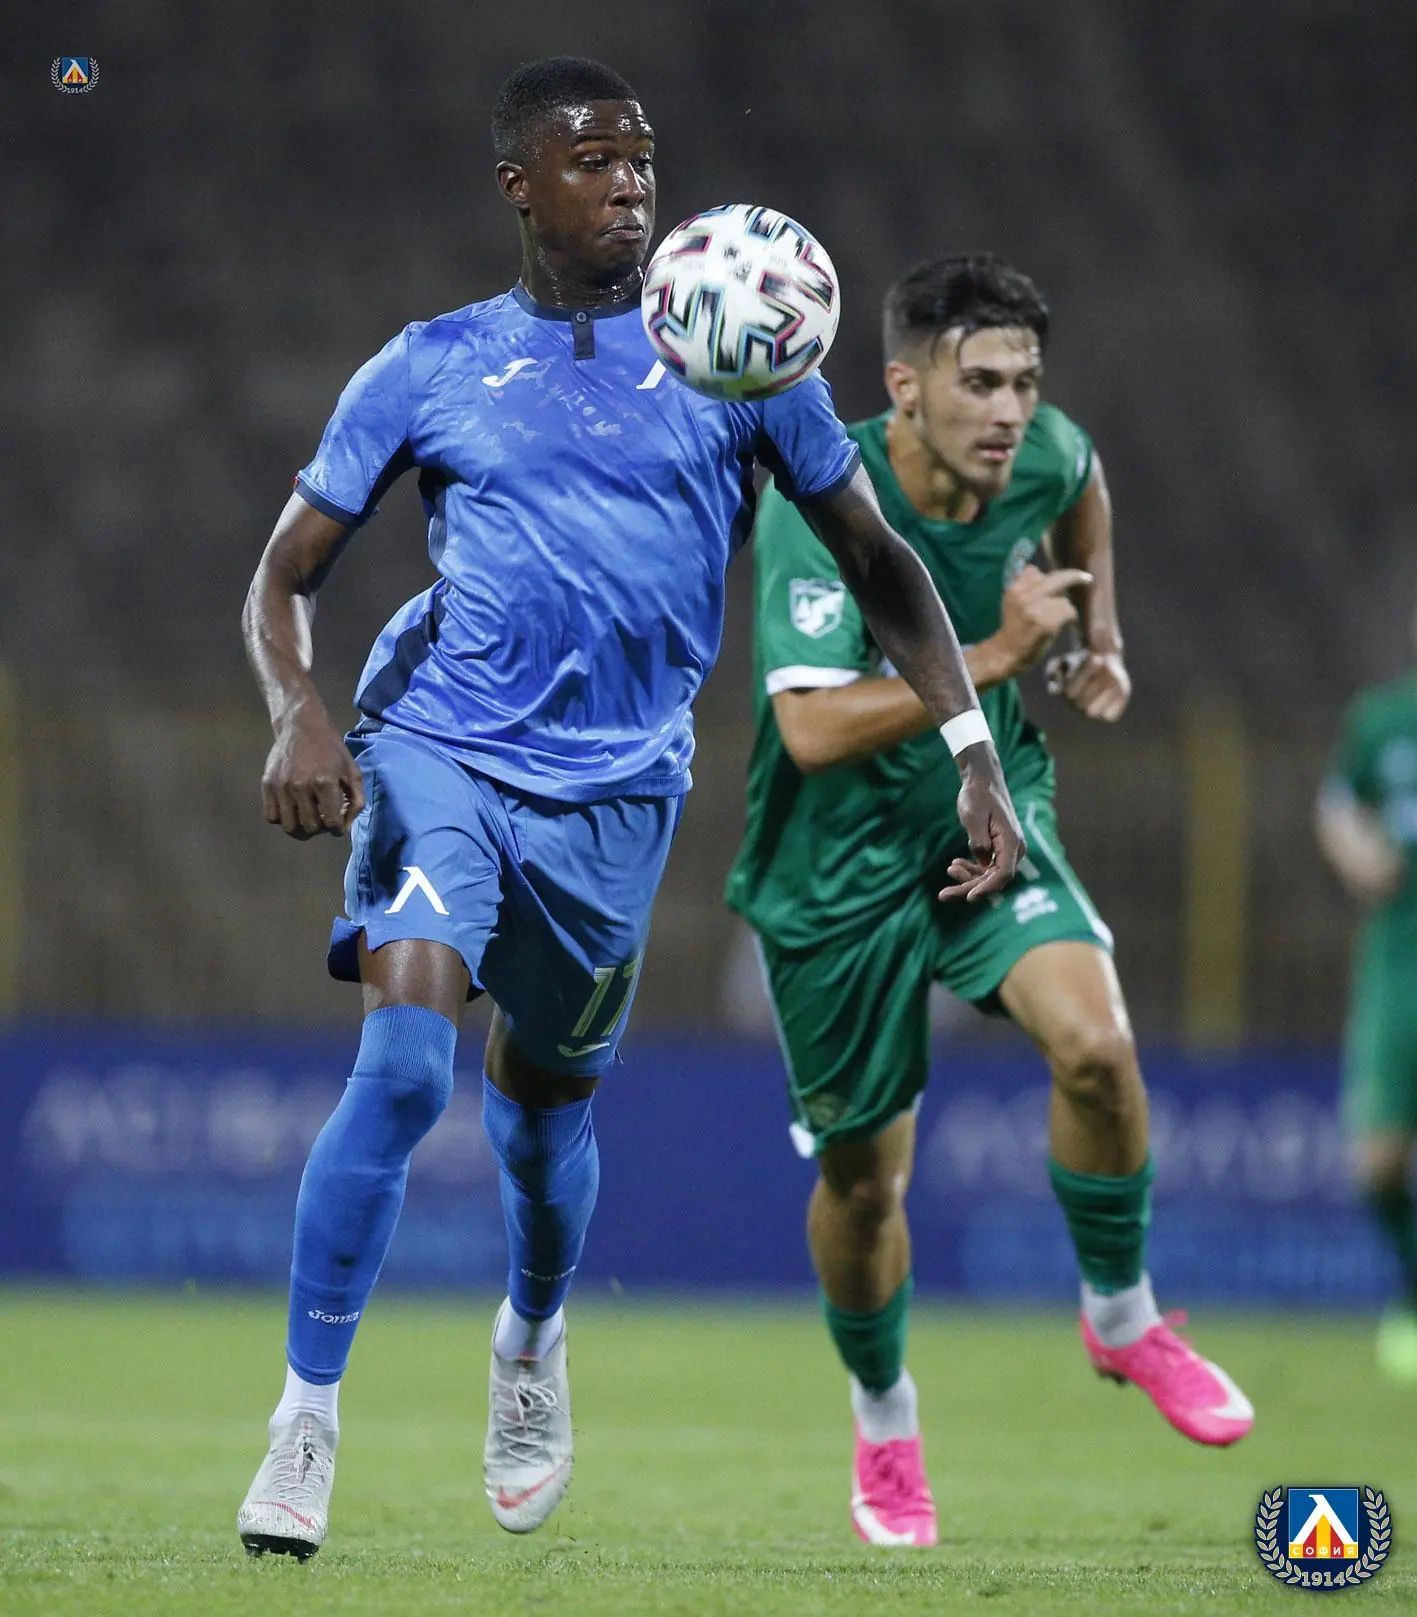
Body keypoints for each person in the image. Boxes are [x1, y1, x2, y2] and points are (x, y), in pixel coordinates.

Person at [235, 60, 1024, 1559]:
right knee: (401, 1071)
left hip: (614, 798)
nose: (630, 183)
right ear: (518, 185)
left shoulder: (744, 364)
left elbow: (877, 562)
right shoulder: (430, 366)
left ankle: (530, 1340)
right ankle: (305, 1416)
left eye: (643, 159)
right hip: (440, 748)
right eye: (592, 158)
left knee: (541, 1125)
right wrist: (297, 708)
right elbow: (284, 574)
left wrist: (972, 750)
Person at [726, 255, 1254, 1550]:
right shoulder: (821, 494)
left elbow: (1084, 486)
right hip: (835, 868)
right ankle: (885, 1416)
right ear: (904, 389)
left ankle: (1122, 1316)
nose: (1011, 410)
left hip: (988, 817)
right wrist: (1005, 653)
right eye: (980, 383)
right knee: (865, 1187)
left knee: (1099, 1047)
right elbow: (808, 730)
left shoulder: (1048, 454)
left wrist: (1101, 634)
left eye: (1024, 381)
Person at [1316, 619, 1417, 1381]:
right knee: (1377, 1161)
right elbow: (1336, 803)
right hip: (1397, 958)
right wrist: (1355, 849)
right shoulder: (1383, 719)